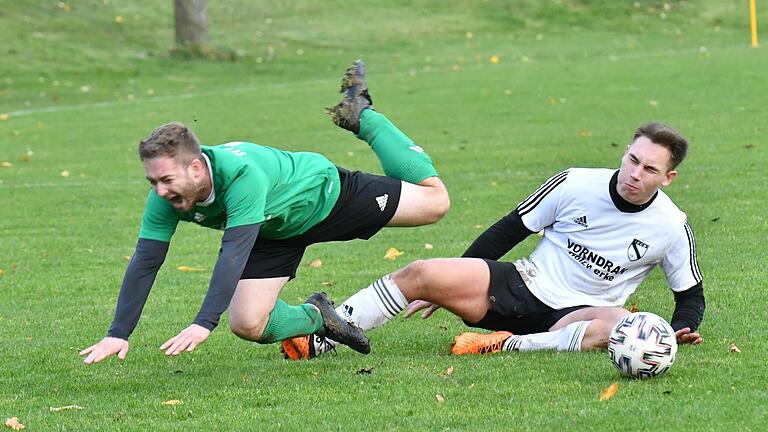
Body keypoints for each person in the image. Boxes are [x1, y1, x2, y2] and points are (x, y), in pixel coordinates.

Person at [79, 60, 450, 364]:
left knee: (436, 203)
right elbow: (146, 261)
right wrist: (118, 333)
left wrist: (203, 323)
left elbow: (234, 252)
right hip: (273, 230)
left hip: (325, 196)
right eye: (152, 182)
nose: (159, 191)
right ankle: (319, 316)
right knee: (248, 323)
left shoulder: (241, 176)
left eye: (165, 179)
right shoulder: (165, 196)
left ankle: (364, 119)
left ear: (195, 169)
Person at [281, 122, 704, 360]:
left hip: (580, 315)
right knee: (422, 272)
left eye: (649, 169)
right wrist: (455, 276)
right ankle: (323, 335)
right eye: (632, 159)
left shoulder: (671, 225)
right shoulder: (576, 183)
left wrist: (682, 329)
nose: (634, 173)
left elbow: (690, 296)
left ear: (668, 177)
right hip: (520, 287)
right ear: (625, 151)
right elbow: (509, 229)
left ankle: (504, 344)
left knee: (623, 326)